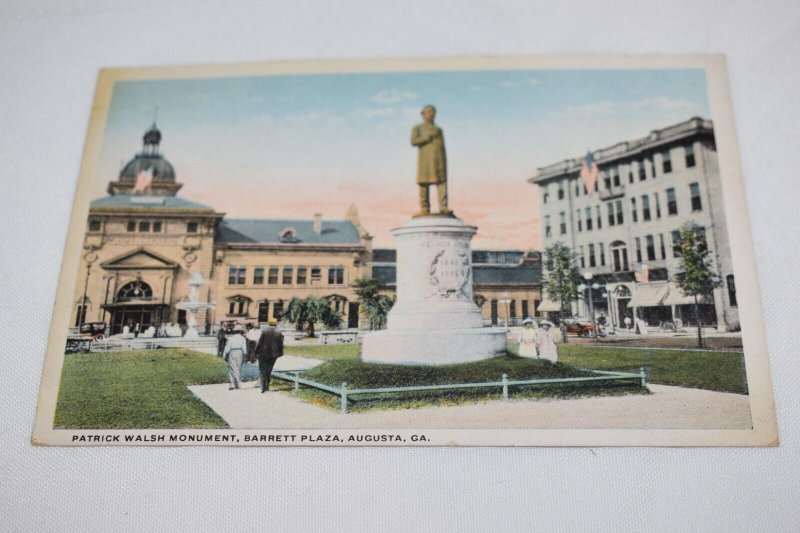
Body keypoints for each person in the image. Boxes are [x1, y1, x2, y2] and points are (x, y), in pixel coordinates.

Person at [411, 105, 452, 216]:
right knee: (424, 183)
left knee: (442, 182)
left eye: (433, 112)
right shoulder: (418, 128)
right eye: (429, 111)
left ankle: (443, 207)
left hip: (439, 160)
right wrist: (426, 138)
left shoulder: (438, 130)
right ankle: (424, 208)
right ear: (423, 114)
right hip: (425, 160)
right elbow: (413, 141)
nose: (431, 114)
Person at [254, 317, 284, 393]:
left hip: (263, 353)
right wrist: (280, 353)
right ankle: (267, 385)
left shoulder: (264, 331)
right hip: (273, 355)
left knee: (262, 369)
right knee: (269, 370)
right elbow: (281, 344)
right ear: (276, 324)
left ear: (269, 323)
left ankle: (263, 386)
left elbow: (260, 343)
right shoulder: (279, 332)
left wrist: (255, 352)